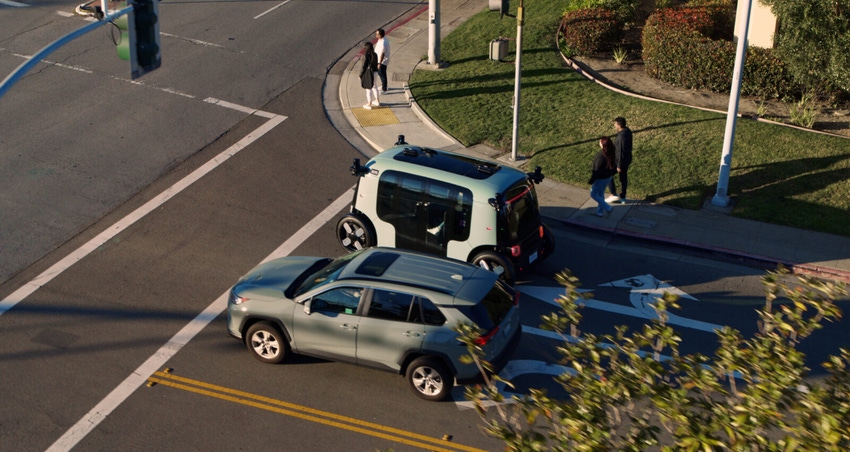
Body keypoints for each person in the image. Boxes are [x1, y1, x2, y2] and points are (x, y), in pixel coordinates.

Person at [589, 137, 617, 217]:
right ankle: (599, 212)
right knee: (600, 193)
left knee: (593, 194)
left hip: (600, 179)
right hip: (608, 178)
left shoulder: (601, 156)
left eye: (600, 142)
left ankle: (607, 207)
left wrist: (591, 180)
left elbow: (596, 170)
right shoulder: (612, 153)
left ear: (603, 144)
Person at [609, 116, 633, 203]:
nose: (614, 125)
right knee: (623, 178)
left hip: (620, 161)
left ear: (619, 125)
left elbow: (621, 151)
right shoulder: (628, 131)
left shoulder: (621, 136)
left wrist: (619, 165)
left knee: (608, 174)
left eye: (615, 124)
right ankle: (623, 197)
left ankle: (613, 194)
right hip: (627, 159)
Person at [359, 42, 380, 109]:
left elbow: (363, 67)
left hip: (368, 73)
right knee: (374, 86)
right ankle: (377, 100)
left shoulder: (365, 56)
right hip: (375, 72)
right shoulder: (375, 54)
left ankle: (369, 104)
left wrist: (360, 75)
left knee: (368, 88)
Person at [374, 28, 390, 92]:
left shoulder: (383, 43)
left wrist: (379, 63)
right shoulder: (382, 39)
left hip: (382, 62)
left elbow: (382, 54)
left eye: (377, 34)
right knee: (381, 74)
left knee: (382, 74)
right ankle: (384, 85)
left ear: (380, 35)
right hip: (379, 60)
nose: (376, 35)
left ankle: (384, 88)